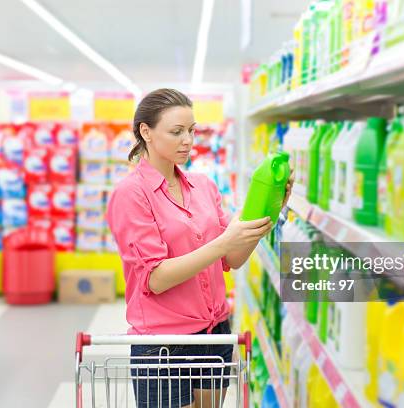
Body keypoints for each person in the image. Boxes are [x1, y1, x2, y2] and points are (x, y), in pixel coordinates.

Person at [106, 88, 293, 407]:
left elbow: (232, 258)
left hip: (214, 331)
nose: (188, 140)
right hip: (165, 343)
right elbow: (155, 278)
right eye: (176, 132)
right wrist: (222, 242)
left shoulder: (203, 186)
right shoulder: (131, 194)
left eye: (191, 130)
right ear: (146, 132)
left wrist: (265, 214)